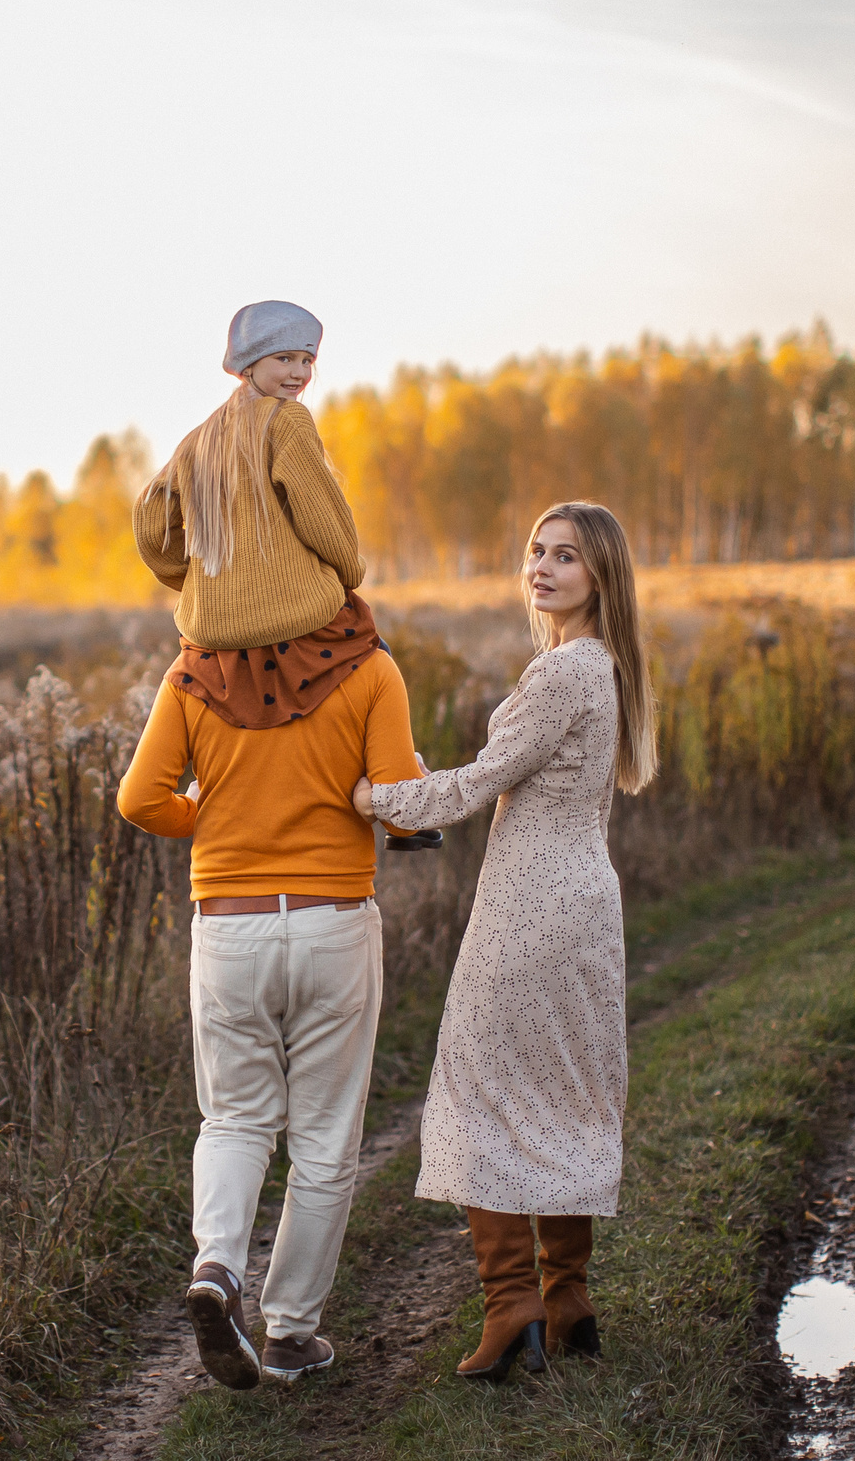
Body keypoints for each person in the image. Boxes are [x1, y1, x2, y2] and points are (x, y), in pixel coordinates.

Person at [349, 501, 657, 1382]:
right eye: (536, 550)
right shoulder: (604, 668)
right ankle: (568, 1300)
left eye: (567, 556)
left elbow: (478, 784)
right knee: (559, 1090)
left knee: (477, 1088)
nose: (543, 566)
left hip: (531, 909)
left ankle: (510, 1302)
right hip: (585, 904)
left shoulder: (563, 672)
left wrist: (376, 799)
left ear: (600, 575)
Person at [115, 606, 424, 1388]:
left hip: (230, 928)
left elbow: (140, 800)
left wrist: (210, 814)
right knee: (323, 1141)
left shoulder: (194, 673)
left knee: (234, 1117)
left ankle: (217, 1267)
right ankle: (291, 1335)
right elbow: (398, 800)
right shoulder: (369, 666)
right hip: (333, 926)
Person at [134, 301, 381, 735]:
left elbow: (150, 516)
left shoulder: (200, 437)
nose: (299, 373)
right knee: (379, 667)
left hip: (211, 631)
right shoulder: (287, 420)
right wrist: (349, 569)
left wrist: (192, 579)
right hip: (295, 617)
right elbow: (323, 517)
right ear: (248, 364)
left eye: (307, 360)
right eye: (283, 358)